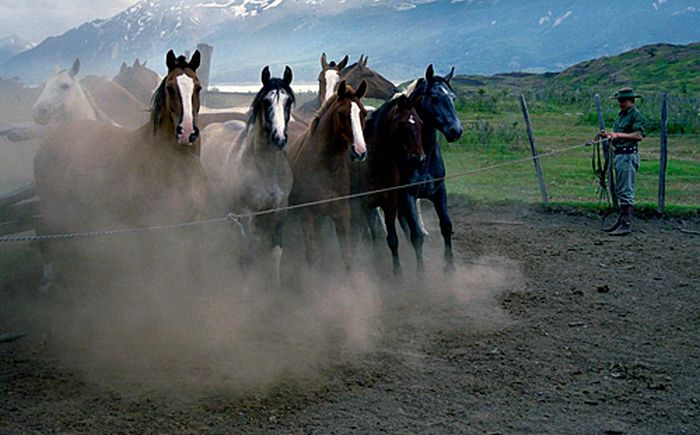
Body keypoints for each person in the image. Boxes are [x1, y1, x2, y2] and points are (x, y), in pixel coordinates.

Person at [601, 87, 645, 236]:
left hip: (627, 156)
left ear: (631, 100)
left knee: (626, 190)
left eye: (623, 100)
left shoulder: (635, 115)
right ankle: (621, 221)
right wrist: (609, 135)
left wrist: (618, 135)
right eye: (619, 100)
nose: (621, 103)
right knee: (621, 189)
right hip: (620, 155)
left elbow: (639, 135)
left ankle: (626, 224)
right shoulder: (621, 116)